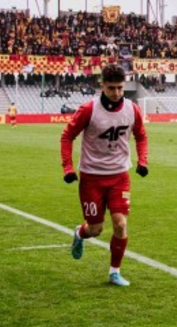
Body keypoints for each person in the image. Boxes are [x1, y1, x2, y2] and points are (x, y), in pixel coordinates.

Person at [60, 64, 149, 287]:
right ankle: (80, 234)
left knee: (120, 224)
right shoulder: (89, 109)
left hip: (119, 176)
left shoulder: (132, 109)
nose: (117, 93)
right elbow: (67, 136)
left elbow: (141, 135)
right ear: (103, 86)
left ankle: (114, 272)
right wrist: (68, 167)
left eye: (120, 88)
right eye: (111, 88)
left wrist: (143, 160)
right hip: (92, 177)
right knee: (95, 229)